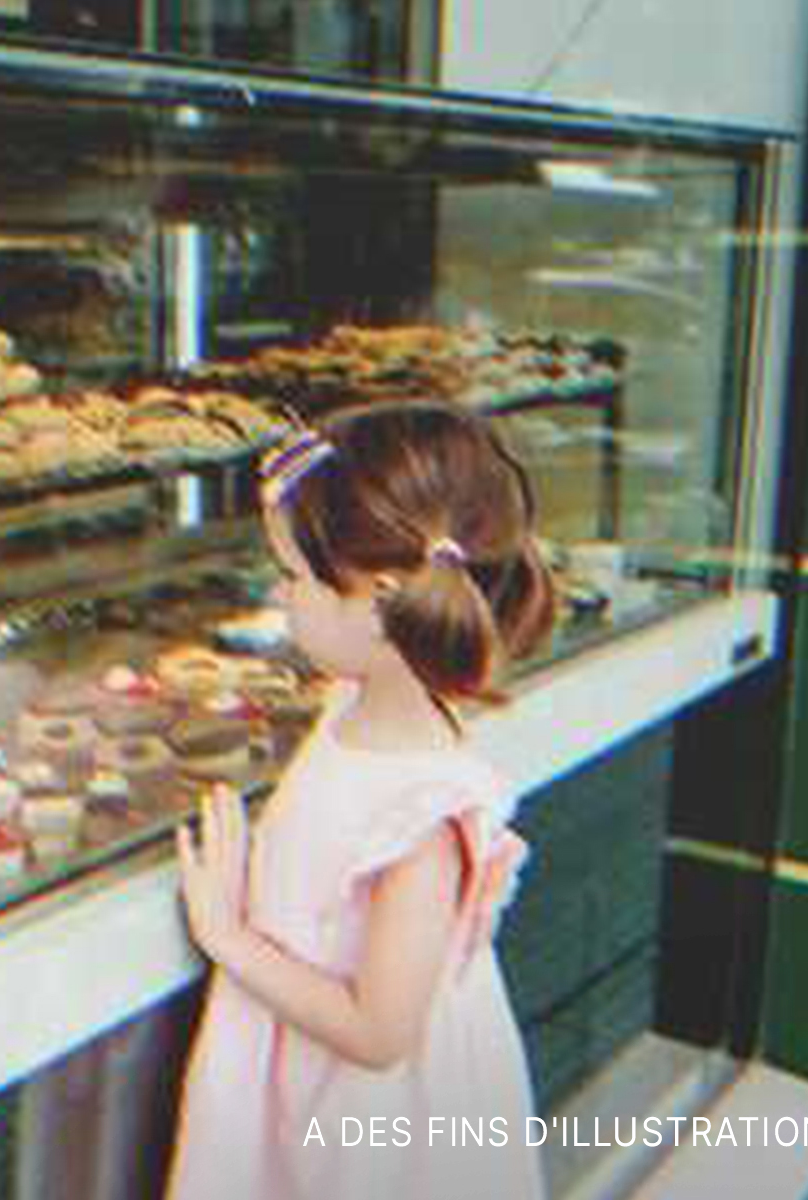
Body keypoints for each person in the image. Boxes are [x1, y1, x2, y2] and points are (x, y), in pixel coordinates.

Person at [168, 401, 556, 1200]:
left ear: (381, 599)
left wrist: (228, 938)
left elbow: (380, 1033)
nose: (281, 597)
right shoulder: (355, 704)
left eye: (293, 576)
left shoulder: (419, 818)